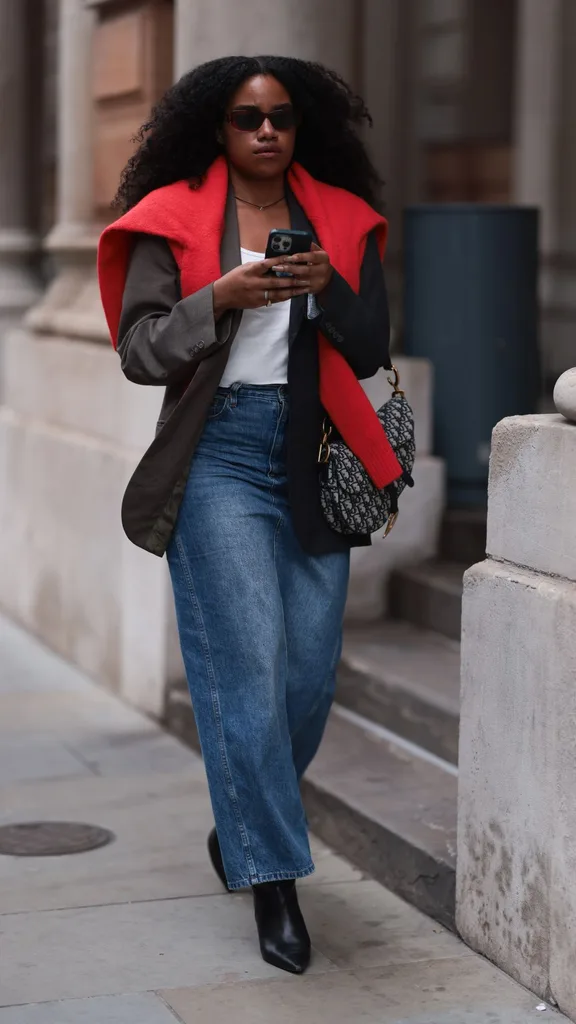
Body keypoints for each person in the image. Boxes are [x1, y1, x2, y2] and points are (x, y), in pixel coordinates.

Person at [98, 55, 391, 976]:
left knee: (307, 674)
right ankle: (272, 879)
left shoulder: (340, 216)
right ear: (214, 129)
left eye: (281, 118)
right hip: (219, 457)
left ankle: (244, 824)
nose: (265, 131)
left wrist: (324, 289)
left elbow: (374, 340)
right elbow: (142, 351)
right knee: (247, 673)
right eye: (244, 117)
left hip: (309, 454)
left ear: (303, 129)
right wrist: (216, 299)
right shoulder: (171, 219)